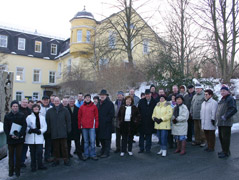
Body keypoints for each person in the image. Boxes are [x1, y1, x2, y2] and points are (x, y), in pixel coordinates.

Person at [46, 97, 71, 166]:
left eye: (58, 101)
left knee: (64, 148)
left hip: (63, 131)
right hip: (54, 132)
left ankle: (66, 160)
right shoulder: (49, 111)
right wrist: (48, 131)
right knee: (55, 148)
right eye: (55, 101)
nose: (56, 102)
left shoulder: (65, 110)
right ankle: (56, 160)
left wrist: (68, 129)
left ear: (60, 101)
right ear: (53, 102)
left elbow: (68, 121)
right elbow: (47, 122)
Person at [4, 100, 27, 177]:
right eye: (13, 106)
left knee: (18, 156)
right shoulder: (7, 116)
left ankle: (17, 171)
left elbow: (24, 126)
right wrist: (10, 135)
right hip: (10, 139)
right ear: (11, 107)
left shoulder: (22, 115)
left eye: (16, 106)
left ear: (18, 107)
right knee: (11, 156)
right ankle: (11, 171)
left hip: (19, 139)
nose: (15, 107)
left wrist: (19, 134)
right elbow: (6, 128)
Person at [216, 86, 237, 158]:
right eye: (221, 91)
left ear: (228, 91)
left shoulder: (230, 99)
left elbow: (233, 109)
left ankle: (226, 152)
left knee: (225, 138)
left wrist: (225, 116)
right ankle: (224, 150)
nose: (222, 92)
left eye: (224, 91)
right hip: (220, 122)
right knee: (221, 137)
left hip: (226, 122)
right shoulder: (222, 99)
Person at [25, 104, 47, 172]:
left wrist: (40, 131)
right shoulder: (29, 117)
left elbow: (45, 127)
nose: (36, 109)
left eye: (37, 108)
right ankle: (33, 166)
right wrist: (30, 130)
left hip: (39, 137)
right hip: (31, 137)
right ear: (32, 109)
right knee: (33, 153)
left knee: (40, 152)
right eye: (35, 108)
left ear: (39, 109)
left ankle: (40, 165)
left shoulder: (42, 117)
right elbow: (26, 126)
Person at [78, 94, 99, 160]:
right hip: (84, 127)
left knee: (92, 141)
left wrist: (96, 125)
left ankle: (93, 154)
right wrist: (79, 126)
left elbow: (96, 116)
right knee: (86, 142)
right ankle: (86, 154)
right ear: (84, 99)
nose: (87, 99)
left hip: (91, 127)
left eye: (88, 98)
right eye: (86, 98)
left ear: (90, 99)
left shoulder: (94, 107)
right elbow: (79, 117)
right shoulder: (81, 107)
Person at [138, 89, 157, 153]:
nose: (147, 95)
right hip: (142, 121)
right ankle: (141, 148)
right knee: (141, 136)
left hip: (150, 121)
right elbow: (139, 110)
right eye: (146, 94)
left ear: (150, 94)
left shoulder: (154, 102)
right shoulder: (141, 101)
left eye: (148, 94)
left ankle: (148, 148)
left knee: (149, 135)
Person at [98, 89, 115, 158]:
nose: (102, 96)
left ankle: (106, 152)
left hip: (107, 125)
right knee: (101, 138)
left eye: (103, 95)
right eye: (101, 95)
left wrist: (105, 120)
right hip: (100, 124)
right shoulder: (98, 103)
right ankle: (103, 150)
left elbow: (112, 115)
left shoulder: (110, 104)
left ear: (106, 96)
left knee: (107, 139)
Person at [66, 96, 84, 160]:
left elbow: (80, 119)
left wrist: (80, 127)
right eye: (70, 101)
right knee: (68, 143)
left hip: (76, 128)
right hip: (68, 129)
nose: (71, 102)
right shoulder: (65, 109)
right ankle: (68, 155)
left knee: (77, 143)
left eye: (73, 101)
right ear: (68, 102)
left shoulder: (77, 109)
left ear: (74, 102)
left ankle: (80, 155)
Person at [40, 96, 53, 163]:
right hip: (41, 129)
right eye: (44, 100)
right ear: (42, 101)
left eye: (47, 100)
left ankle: (47, 157)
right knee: (40, 145)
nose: (46, 101)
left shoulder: (51, 108)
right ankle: (39, 157)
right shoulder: (39, 108)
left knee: (48, 144)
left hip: (49, 129)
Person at [19, 98, 31, 168]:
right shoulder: (18, 110)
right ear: (21, 103)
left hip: (27, 131)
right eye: (23, 102)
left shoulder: (29, 111)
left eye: (26, 102)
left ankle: (22, 161)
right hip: (19, 130)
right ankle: (17, 161)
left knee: (25, 147)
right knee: (19, 147)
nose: (25, 103)